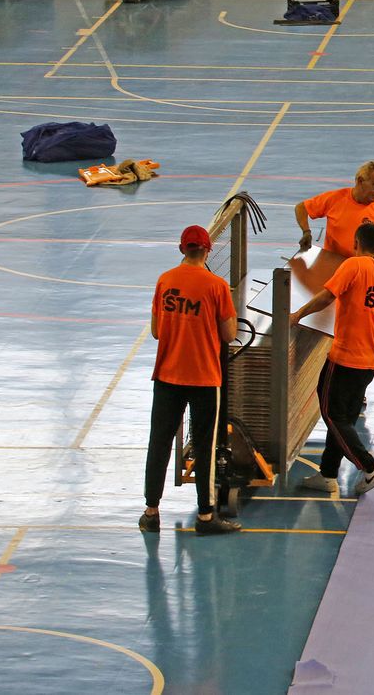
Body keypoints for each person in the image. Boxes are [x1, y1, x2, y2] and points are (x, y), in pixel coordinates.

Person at [141, 225, 241, 535]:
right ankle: (206, 516)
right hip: (203, 378)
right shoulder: (216, 286)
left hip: (168, 375)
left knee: (159, 442)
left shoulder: (165, 281)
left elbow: (157, 331)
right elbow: (229, 334)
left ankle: (151, 511)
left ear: (182, 249)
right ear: (208, 250)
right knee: (205, 445)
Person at [293, 222, 374, 495]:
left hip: (344, 358)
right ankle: (328, 474)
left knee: (330, 412)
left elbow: (327, 296)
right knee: (345, 420)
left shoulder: (353, 266)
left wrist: (298, 315)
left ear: (356, 243)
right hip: (369, 361)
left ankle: (369, 466)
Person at [294, 161, 374, 270]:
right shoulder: (336, 199)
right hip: (334, 269)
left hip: (365, 270)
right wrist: (306, 232)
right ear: (360, 181)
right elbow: (301, 208)